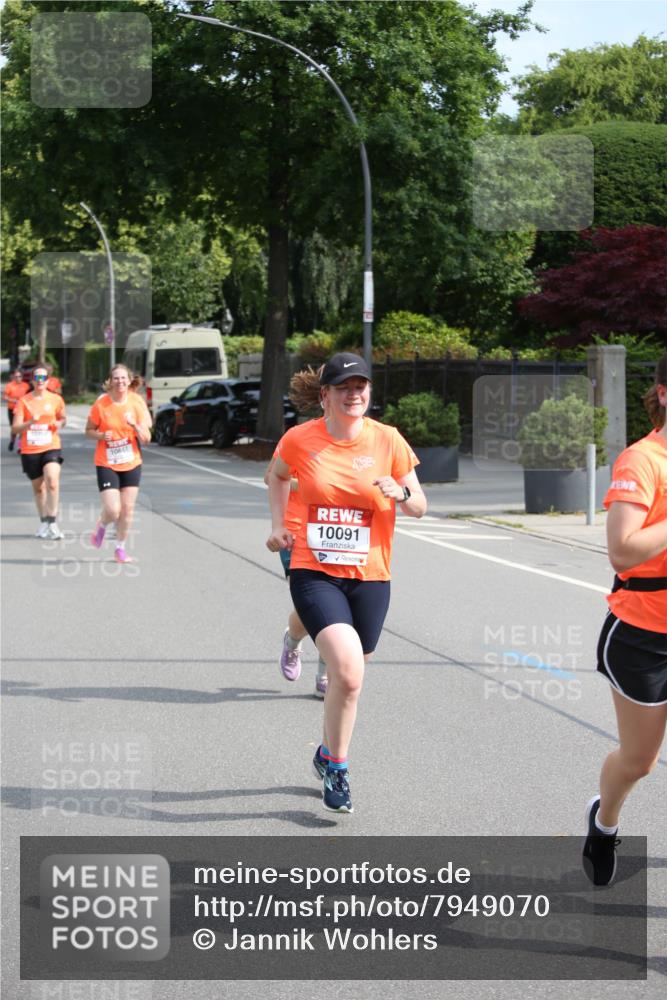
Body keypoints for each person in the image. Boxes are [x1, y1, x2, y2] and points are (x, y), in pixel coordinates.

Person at [266, 353, 427, 812]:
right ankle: (337, 766)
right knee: (349, 674)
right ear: (326, 397)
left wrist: (404, 494)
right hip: (314, 569)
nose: (354, 394)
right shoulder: (300, 440)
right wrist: (279, 525)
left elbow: (420, 505)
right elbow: (276, 477)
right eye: (344, 388)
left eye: (361, 387)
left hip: (371, 575)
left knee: (355, 669)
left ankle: (323, 751)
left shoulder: (389, 441)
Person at [583, 352, 667, 885]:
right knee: (639, 761)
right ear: (663, 393)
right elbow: (623, 551)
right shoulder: (643, 460)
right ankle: (605, 821)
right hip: (643, 633)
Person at [264, 454, 328, 698]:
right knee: (312, 606)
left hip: (339, 537)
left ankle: (324, 675)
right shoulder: (297, 439)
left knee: (337, 611)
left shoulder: (359, 439)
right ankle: (292, 641)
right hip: (297, 534)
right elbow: (271, 477)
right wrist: (313, 484)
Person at [85, 364, 151, 564]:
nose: (120, 382)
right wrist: (101, 435)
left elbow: (147, 438)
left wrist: (135, 425)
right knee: (113, 510)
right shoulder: (101, 404)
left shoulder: (136, 402)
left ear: (129, 380)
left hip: (131, 462)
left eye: (123, 378)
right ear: (110, 381)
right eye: (116, 378)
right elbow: (88, 431)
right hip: (107, 462)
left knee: (127, 509)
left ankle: (120, 549)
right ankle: (102, 525)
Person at [12, 366, 67, 539]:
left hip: (51, 446)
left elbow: (63, 418)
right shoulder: (24, 401)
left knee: (52, 481)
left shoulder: (56, 399)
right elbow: (15, 427)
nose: (41, 381)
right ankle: (44, 521)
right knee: (39, 489)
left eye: (44, 377)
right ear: (33, 380)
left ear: (48, 380)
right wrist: (29, 422)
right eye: (37, 377)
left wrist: (60, 424)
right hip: (30, 449)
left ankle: (52, 522)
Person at [4, 368, 29, 451]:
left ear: (22, 377)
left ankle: (20, 446)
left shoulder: (26, 385)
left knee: (21, 428)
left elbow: (30, 396)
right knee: (14, 428)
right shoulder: (10, 385)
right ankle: (12, 440)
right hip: (12, 409)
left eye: (20, 376)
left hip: (22, 410)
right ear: (14, 377)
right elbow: (5, 397)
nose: (18, 378)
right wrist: (14, 400)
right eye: (16, 376)